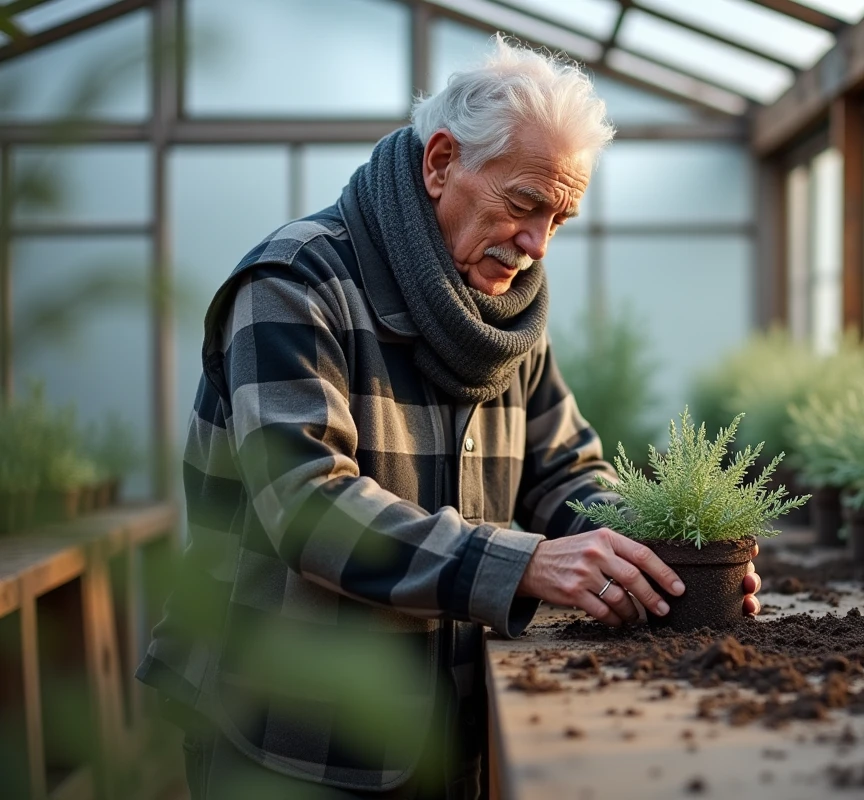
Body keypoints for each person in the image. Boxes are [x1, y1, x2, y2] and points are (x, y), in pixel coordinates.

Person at [136, 36, 762, 800]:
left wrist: (660, 554)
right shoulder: (295, 283)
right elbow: (306, 506)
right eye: (525, 204)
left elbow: (562, 470)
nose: (536, 245)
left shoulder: (505, 315)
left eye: (560, 219)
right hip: (289, 736)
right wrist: (526, 563)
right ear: (440, 164)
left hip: (446, 724)